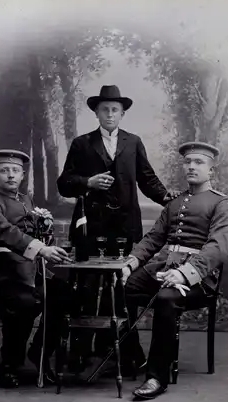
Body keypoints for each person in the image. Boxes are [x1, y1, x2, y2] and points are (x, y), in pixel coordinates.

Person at [57, 85, 178, 371]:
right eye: (104, 109)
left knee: (124, 285)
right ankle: (81, 350)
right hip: (91, 226)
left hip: (125, 226)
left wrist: (166, 198)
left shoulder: (133, 142)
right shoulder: (82, 143)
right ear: (96, 113)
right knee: (86, 285)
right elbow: (64, 183)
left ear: (122, 114)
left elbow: (147, 179)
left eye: (115, 110)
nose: (110, 114)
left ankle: (126, 350)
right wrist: (88, 182)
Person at [120, 141, 228, 400]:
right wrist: (131, 263)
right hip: (164, 270)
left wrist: (184, 273)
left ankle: (156, 377)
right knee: (123, 287)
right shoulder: (175, 203)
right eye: (188, 162)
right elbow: (153, 239)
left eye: (199, 162)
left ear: (211, 171)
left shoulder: (221, 204)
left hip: (199, 280)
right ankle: (131, 356)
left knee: (166, 299)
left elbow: (218, 248)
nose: (191, 166)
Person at [0, 149, 72, 388]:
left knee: (65, 294)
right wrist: (41, 249)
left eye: (15, 171)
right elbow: (9, 233)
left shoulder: (26, 201)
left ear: (23, 174)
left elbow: (33, 232)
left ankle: (39, 351)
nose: (10, 176)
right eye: (4, 171)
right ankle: (10, 364)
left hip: (25, 274)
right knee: (25, 302)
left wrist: (47, 238)